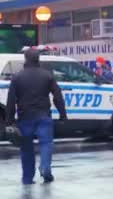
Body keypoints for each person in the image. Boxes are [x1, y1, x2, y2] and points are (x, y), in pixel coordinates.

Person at [5, 48, 67, 185]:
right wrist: (63, 115)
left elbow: (11, 100)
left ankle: (27, 178)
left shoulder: (17, 77)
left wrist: (9, 121)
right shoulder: (47, 76)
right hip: (44, 116)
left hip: (25, 118)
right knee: (46, 144)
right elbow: (57, 96)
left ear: (25, 59)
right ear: (38, 59)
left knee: (26, 149)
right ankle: (45, 168)